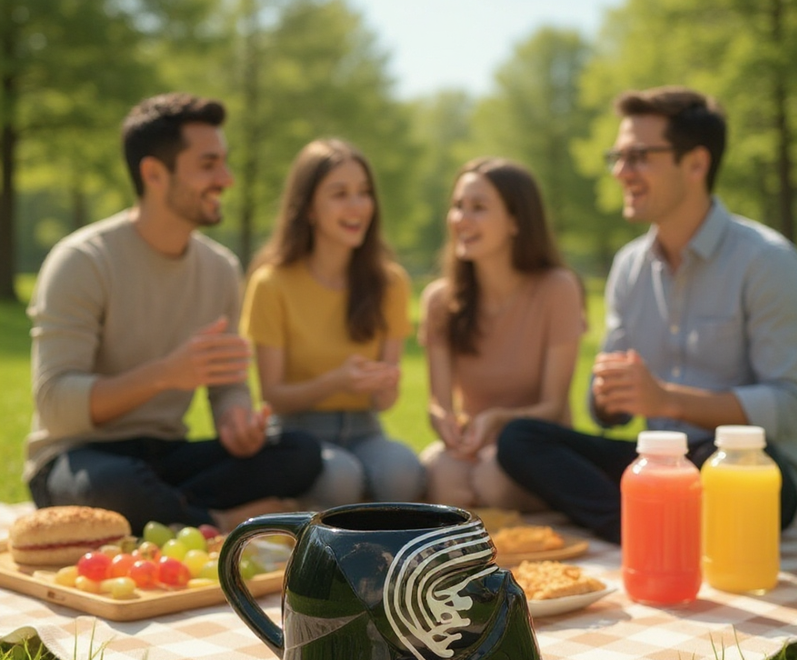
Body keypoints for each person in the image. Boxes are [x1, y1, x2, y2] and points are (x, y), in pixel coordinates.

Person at [496, 86, 797, 543]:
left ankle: (642, 526)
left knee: (771, 483)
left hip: (739, 465)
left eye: (638, 156)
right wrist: (608, 395)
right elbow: (606, 414)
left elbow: (789, 405)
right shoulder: (629, 266)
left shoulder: (766, 260)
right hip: (658, 462)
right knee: (520, 439)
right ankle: (653, 529)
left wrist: (668, 401)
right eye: (617, 157)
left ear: (696, 163)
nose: (621, 171)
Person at [25, 93, 322, 536]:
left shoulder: (221, 268)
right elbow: (55, 407)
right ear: (153, 174)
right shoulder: (82, 261)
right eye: (208, 165)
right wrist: (164, 374)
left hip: (165, 455)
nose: (227, 178)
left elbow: (228, 387)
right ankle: (221, 521)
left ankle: (173, 513)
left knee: (300, 452)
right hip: (79, 454)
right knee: (115, 488)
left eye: (224, 162)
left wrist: (236, 420)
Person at [240, 138, 424, 507]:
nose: (357, 206)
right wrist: (334, 382)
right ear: (308, 208)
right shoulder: (272, 283)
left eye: (364, 192)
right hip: (299, 435)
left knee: (403, 470)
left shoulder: (390, 282)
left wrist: (384, 384)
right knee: (340, 478)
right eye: (340, 194)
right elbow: (272, 394)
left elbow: (385, 400)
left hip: (366, 429)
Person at [418, 157, 585, 509]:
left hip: (534, 445)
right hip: (472, 447)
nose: (462, 219)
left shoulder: (558, 288)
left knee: (494, 478)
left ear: (515, 221)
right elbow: (439, 403)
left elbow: (553, 407)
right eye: (458, 206)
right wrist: (444, 423)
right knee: (440, 475)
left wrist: (497, 421)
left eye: (478, 208)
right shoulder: (439, 300)